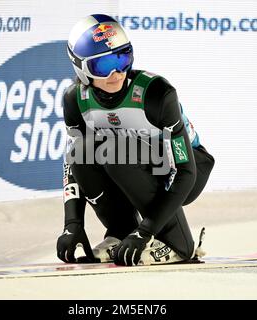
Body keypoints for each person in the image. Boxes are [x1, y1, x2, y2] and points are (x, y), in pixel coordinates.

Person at [57, 14, 215, 266]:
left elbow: (186, 171)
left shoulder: (157, 94)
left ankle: (177, 244)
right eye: (102, 66)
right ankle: (120, 231)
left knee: (115, 151)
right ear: (81, 68)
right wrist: (72, 225)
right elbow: (73, 163)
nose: (116, 73)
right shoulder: (75, 99)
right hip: (133, 158)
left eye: (122, 58)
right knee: (82, 150)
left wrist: (146, 231)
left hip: (190, 166)